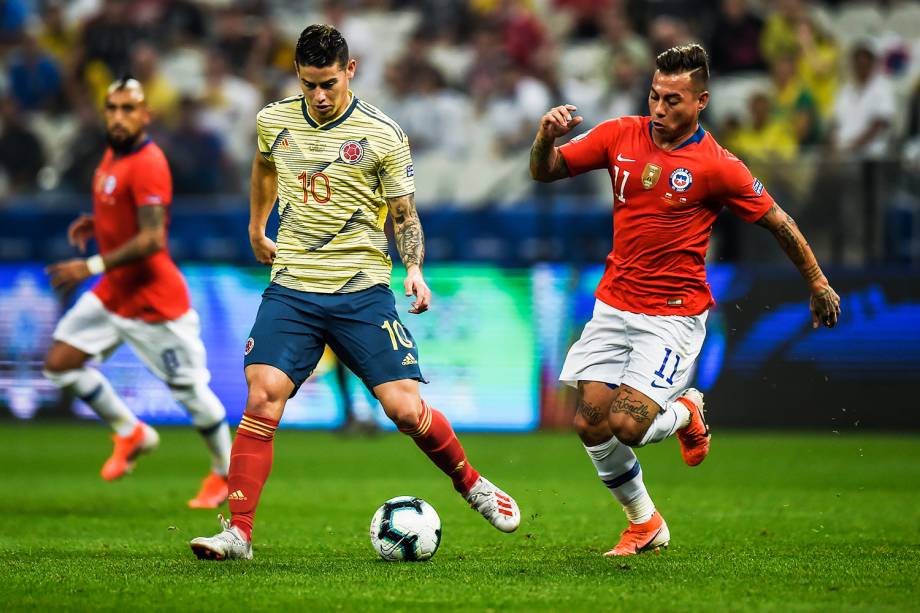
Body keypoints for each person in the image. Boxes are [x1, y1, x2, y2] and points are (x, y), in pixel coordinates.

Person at [190, 24, 520, 561]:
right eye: (308, 85)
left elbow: (405, 213)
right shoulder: (273, 120)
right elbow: (263, 165)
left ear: (351, 70)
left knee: (406, 410)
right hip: (293, 287)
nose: (319, 97)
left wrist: (413, 269)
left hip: (361, 291)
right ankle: (239, 532)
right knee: (262, 395)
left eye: (328, 84)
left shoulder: (382, 134)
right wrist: (257, 227)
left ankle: (472, 484)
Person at [529, 44, 840, 556]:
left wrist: (817, 281)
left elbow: (779, 222)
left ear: (702, 102)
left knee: (627, 425)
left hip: (671, 316)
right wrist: (544, 137)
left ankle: (687, 411)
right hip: (613, 304)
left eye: (673, 100)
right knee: (588, 421)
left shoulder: (718, 166)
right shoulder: (618, 134)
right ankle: (644, 522)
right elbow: (545, 171)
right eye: (654, 96)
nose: (658, 108)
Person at [43, 78, 232, 510]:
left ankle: (224, 474)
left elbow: (151, 240)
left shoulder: (149, 162)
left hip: (154, 300)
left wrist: (88, 265)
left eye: (129, 109)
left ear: (146, 115)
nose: (119, 116)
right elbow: (122, 208)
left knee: (193, 396)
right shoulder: (112, 154)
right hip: (115, 292)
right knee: (61, 365)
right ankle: (131, 432)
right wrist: (99, 223)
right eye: (112, 108)